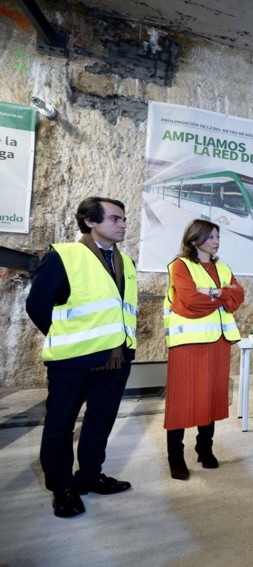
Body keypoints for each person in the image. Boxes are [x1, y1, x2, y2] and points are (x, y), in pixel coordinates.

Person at [25, 197, 137, 518]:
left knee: (100, 420)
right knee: (60, 425)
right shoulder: (64, 255)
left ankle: (89, 476)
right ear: (90, 221)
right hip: (72, 360)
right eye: (115, 219)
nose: (123, 224)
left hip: (115, 357)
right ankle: (62, 488)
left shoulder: (125, 262)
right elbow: (37, 305)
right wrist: (65, 336)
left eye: (124, 219)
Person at [163, 220, 244, 480]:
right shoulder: (180, 266)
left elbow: (238, 297)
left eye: (218, 236)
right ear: (194, 239)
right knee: (182, 400)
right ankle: (175, 456)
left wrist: (212, 292)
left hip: (218, 342)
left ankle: (204, 448)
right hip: (189, 343)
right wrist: (223, 296)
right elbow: (190, 301)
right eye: (210, 237)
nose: (216, 241)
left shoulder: (223, 267)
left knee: (211, 396)